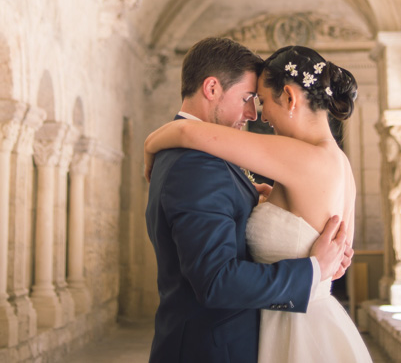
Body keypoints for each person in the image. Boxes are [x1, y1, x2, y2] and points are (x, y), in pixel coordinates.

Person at [146, 44, 372, 363]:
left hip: (297, 334)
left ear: (290, 98)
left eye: (262, 101)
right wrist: (259, 199)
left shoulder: (303, 158)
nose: (259, 116)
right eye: (249, 100)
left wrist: (150, 143)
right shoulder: (339, 163)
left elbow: (188, 131)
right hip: (300, 323)